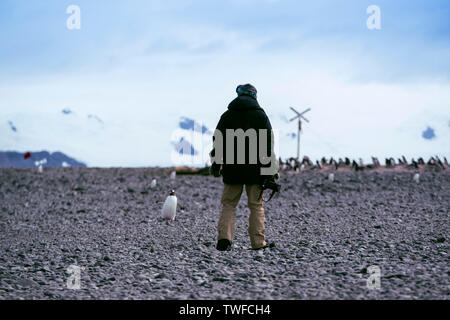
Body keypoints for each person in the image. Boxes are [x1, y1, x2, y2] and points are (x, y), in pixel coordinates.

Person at [210, 84, 277, 251]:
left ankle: (224, 239)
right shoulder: (261, 116)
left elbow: (218, 140)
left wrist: (217, 163)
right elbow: (268, 145)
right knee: (256, 205)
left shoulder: (227, 115)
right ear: (254, 96)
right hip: (256, 170)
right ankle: (258, 243)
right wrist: (270, 171)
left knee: (229, 204)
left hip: (233, 168)